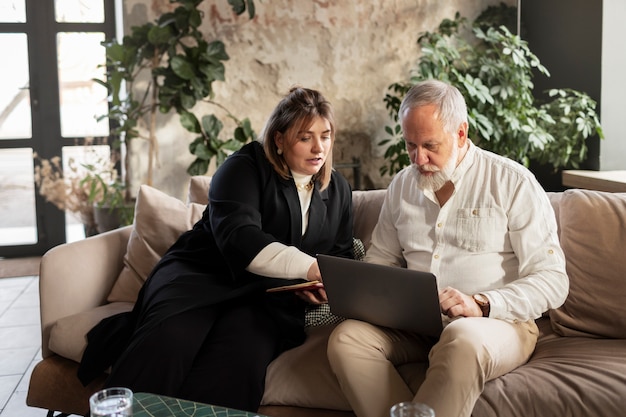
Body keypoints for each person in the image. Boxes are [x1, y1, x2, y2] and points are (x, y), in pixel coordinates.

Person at [78, 86, 354, 412]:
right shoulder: (242, 168)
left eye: (326, 136)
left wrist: (319, 287)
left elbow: (340, 256)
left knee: (240, 358)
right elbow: (241, 237)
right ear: (279, 140)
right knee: (170, 339)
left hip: (263, 299)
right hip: (200, 277)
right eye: (305, 137)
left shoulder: (337, 190)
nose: (318, 147)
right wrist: (310, 268)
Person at [326, 79, 569, 417]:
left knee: (462, 338)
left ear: (460, 134)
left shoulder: (512, 182)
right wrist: (359, 291)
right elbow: (381, 261)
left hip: (496, 323)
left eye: (430, 145)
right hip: (415, 324)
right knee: (346, 339)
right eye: (410, 145)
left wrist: (482, 303)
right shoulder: (401, 186)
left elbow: (553, 279)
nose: (419, 158)